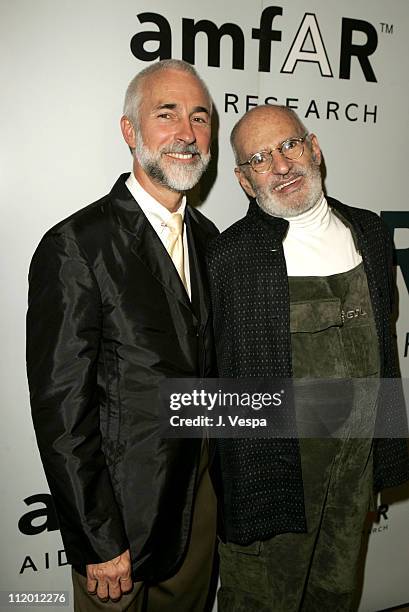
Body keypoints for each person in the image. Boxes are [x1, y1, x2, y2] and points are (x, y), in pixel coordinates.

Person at [26, 59, 219, 612]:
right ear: (130, 132)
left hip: (198, 518)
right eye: (168, 114)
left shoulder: (211, 242)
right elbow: (62, 410)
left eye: (200, 118)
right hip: (121, 531)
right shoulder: (77, 245)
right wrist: (97, 538)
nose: (187, 133)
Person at [206, 104, 409, 611]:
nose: (280, 165)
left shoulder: (371, 233)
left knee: (335, 596)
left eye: (289, 145)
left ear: (314, 147)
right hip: (273, 480)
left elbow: (384, 353)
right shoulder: (229, 257)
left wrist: (385, 455)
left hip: (353, 477)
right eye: (259, 157)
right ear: (244, 180)